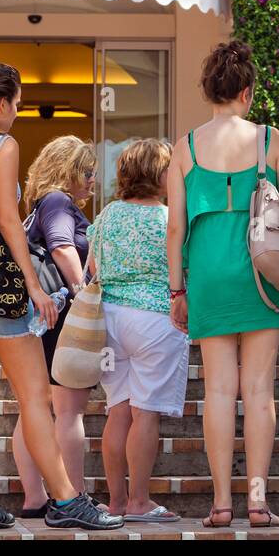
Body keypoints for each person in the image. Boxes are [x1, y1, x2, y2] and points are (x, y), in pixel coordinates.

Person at [0, 63, 121, 530]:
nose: (17, 111)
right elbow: (10, 222)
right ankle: (67, 500)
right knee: (34, 394)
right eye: (16, 102)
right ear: (0, 102)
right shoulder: (1, 146)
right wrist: (35, 286)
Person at [166, 40, 279, 528]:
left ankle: (221, 504)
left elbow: (174, 228)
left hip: (207, 275)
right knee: (258, 391)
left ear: (210, 91)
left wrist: (177, 291)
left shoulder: (185, 147)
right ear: (247, 92)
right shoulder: (270, 140)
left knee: (217, 392)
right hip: (263, 274)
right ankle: (256, 502)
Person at [91, 139, 188, 522]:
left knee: (118, 411)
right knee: (145, 413)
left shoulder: (109, 214)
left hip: (110, 321)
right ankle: (139, 501)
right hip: (155, 319)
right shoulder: (169, 218)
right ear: (158, 174)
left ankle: (115, 503)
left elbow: (94, 267)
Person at [14, 135, 97, 517]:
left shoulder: (36, 208)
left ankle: (35, 498)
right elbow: (63, 247)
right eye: (87, 171)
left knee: (33, 406)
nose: (93, 180)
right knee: (68, 409)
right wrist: (83, 294)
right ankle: (73, 498)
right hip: (59, 313)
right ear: (68, 170)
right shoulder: (59, 202)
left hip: (35, 316)